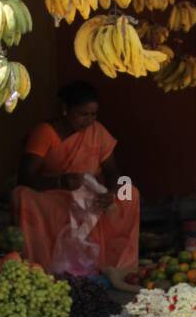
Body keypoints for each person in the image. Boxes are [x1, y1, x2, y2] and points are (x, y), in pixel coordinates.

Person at [12, 81, 139, 275]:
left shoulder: (97, 131)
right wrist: (61, 182)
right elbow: (25, 177)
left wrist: (111, 193)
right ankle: (53, 267)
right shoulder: (45, 133)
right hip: (55, 191)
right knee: (21, 195)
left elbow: (113, 171)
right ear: (65, 109)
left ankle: (114, 265)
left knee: (130, 193)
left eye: (93, 115)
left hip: (92, 191)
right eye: (82, 114)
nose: (88, 121)